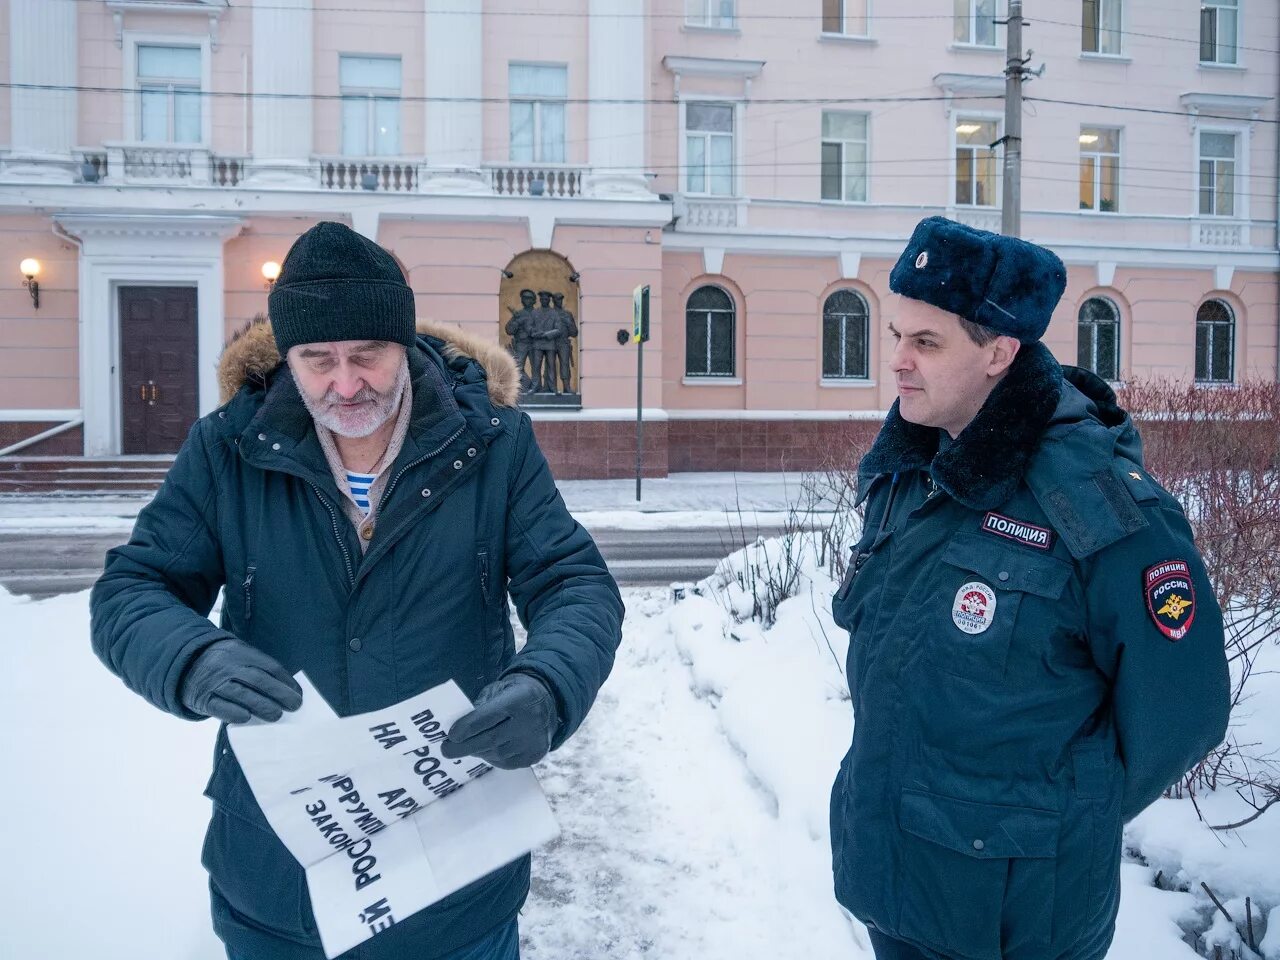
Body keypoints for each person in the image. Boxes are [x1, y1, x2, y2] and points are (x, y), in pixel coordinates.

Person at [90, 221, 624, 960]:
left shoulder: (494, 444)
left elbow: (574, 585)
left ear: (402, 343)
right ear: (290, 357)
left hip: (455, 883)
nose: (345, 384)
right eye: (318, 360)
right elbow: (132, 590)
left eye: (367, 356)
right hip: (281, 881)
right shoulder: (227, 449)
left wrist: (549, 685)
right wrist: (189, 660)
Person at [828, 216, 1229, 960]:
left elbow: (1182, 712)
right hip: (899, 884)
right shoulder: (909, 469)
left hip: (1015, 919)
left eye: (926, 342)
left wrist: (1052, 824)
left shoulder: (1097, 502)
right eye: (896, 336)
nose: (898, 363)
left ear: (998, 354)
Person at [505, 288, 537, 390]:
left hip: (535, 344)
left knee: (536, 367)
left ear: (534, 300)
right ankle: (520, 388)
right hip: (521, 344)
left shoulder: (539, 314)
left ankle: (535, 388)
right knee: (518, 367)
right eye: (524, 298)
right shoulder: (518, 314)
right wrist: (518, 321)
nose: (526, 300)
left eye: (529, 298)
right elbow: (509, 330)